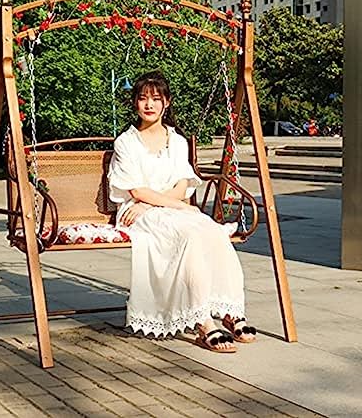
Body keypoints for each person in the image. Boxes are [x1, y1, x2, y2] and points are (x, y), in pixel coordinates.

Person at [108, 71, 256, 353]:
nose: (149, 105)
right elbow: (137, 192)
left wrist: (167, 203)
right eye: (142, 99)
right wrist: (169, 205)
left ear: (167, 103)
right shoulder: (126, 142)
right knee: (190, 234)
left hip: (165, 207)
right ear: (135, 104)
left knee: (212, 232)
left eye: (155, 99)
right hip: (138, 213)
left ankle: (230, 309)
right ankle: (203, 321)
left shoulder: (177, 141)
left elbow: (182, 184)